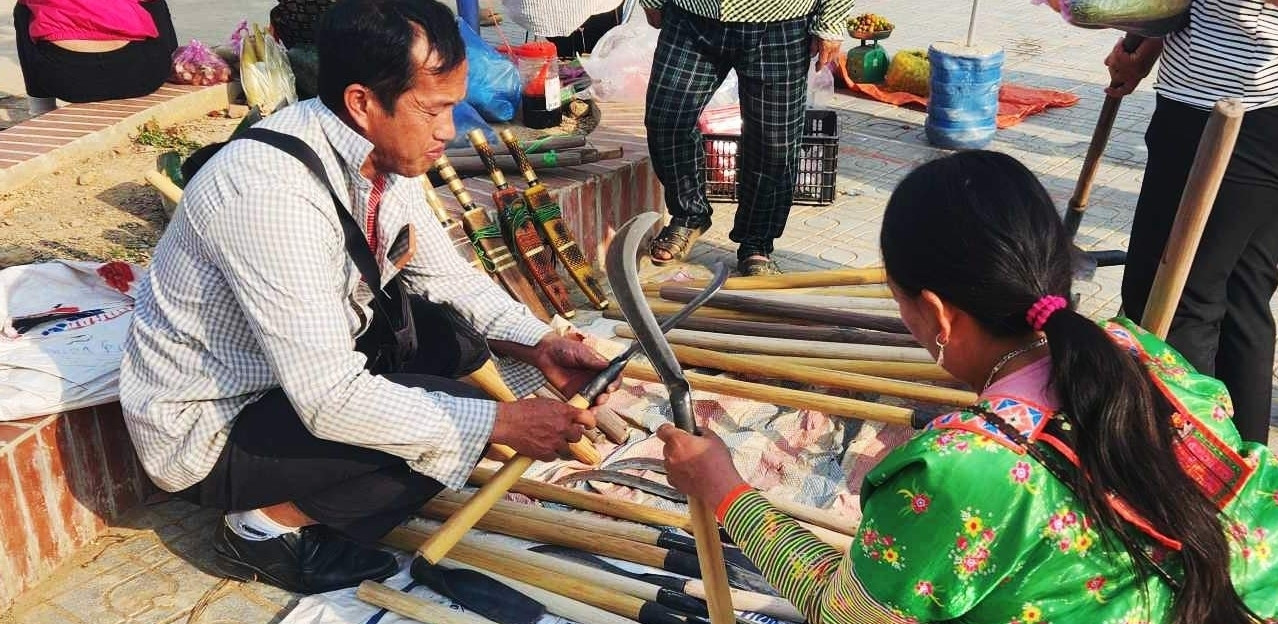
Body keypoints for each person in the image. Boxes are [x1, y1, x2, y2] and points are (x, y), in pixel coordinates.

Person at [659, 151, 1278, 623]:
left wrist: (726, 491)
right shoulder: (1139, 354)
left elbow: (847, 611)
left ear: (937, 313)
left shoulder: (960, 471)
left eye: (899, 302)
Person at [120, 0, 610, 595]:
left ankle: (325, 488)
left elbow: (449, 280)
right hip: (214, 430)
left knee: (448, 338)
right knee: (454, 420)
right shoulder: (270, 196)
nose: (448, 131)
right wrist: (498, 422)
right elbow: (330, 399)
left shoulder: (375, 153)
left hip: (290, 381)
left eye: (452, 107)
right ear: (362, 102)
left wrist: (541, 344)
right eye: (432, 110)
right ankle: (262, 529)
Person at [1099, 0, 1278, 444]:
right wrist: (1145, 44)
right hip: (1232, 94)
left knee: (1176, 300)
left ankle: (1189, 470)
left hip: (1234, 103)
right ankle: (1245, 467)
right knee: (1239, 297)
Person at [641, 0, 853, 276]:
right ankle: (689, 214)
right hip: (692, 16)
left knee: (774, 145)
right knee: (666, 117)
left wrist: (831, 20)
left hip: (781, 24)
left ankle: (756, 241)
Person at [12, 0, 177, 115]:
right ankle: (175, 67)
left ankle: (41, 109)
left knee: (23, 9)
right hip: (142, 78)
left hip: (67, 84)